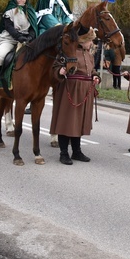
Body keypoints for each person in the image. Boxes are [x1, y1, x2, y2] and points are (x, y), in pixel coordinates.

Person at [50, 25, 100, 165]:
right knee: (66, 122)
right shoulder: (69, 52)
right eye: (90, 41)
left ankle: (76, 151)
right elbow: (55, 67)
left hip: (85, 92)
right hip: (70, 90)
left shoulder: (89, 55)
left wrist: (96, 76)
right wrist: (60, 71)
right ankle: (64, 153)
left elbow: (91, 70)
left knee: (78, 122)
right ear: (83, 41)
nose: (92, 44)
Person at [0, 0, 38, 88]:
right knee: (1, 55)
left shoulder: (30, 10)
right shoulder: (10, 10)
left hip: (26, 39)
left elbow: (33, 27)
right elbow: (9, 27)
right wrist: (19, 37)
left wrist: (30, 37)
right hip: (9, 39)